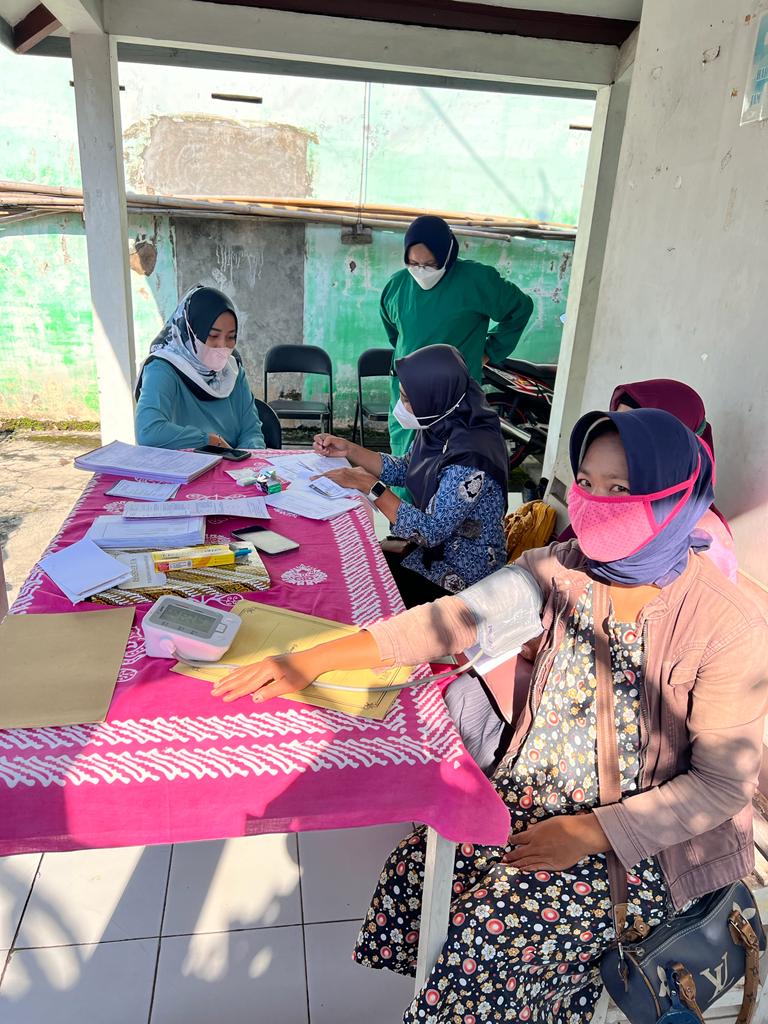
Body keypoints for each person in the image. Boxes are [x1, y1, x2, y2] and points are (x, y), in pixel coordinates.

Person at [211, 407, 768, 1024]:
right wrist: (311, 660)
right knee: (416, 872)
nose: (595, 504)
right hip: (536, 796)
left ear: (677, 498)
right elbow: (453, 618)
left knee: (487, 938)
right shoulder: (567, 567)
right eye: (586, 482)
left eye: (621, 490)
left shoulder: (726, 624)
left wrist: (590, 832)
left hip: (646, 847)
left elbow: (721, 787)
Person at [312, 345, 508, 607]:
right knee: (355, 561)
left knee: (360, 585)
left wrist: (370, 486)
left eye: (406, 398)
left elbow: (430, 531)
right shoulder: (443, 420)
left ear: (432, 397)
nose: (400, 406)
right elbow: (407, 467)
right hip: (434, 554)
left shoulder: (470, 458)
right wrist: (349, 450)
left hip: (463, 577)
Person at [381, 215, 534, 458]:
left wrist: (490, 350)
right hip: (408, 393)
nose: (421, 271)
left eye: (430, 264)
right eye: (413, 263)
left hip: (455, 395)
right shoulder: (396, 287)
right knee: (405, 459)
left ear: (448, 255)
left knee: (451, 459)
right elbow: (395, 334)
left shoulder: (477, 281)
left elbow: (520, 309)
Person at [561, 377, 737, 581]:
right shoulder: (593, 508)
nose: (618, 440)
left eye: (637, 434)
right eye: (618, 424)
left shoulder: (708, 544)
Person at [135, 285, 264, 451]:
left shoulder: (232, 370)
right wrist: (210, 441)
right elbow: (148, 431)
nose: (222, 345)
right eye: (213, 335)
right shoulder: (163, 368)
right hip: (181, 463)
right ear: (191, 331)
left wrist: (244, 457)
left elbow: (252, 432)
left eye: (231, 337)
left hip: (231, 462)